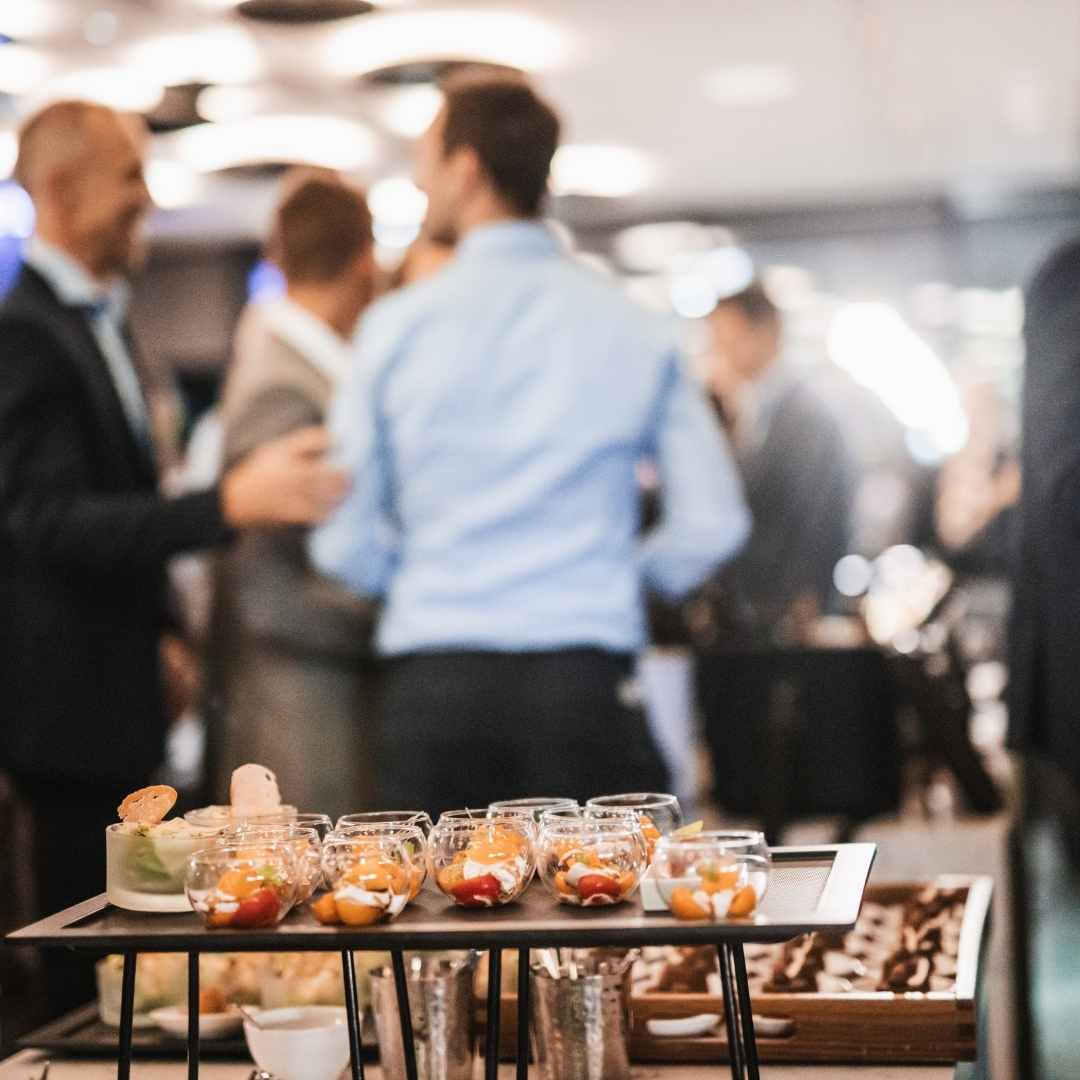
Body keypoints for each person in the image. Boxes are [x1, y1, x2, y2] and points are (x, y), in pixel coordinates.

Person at [311, 75, 750, 815]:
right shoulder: (632, 325)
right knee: (603, 893)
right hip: (583, 679)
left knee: (438, 894)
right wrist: (616, 579)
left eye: (425, 161)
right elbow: (714, 522)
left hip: (436, 685)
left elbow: (341, 538)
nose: (418, 184)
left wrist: (421, 579)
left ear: (466, 170)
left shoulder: (394, 328)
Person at [0, 101, 346, 1014]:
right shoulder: (24, 332)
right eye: (130, 175)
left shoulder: (97, 320)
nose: (147, 199)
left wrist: (163, 631)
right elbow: (47, 522)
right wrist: (227, 504)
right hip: (64, 714)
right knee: (86, 981)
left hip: (117, 694)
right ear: (61, 188)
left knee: (136, 965)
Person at [209, 171, 380, 820]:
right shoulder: (284, 382)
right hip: (301, 701)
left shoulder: (301, 365)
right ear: (366, 262)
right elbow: (266, 586)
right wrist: (390, 619)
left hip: (312, 685)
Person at [704, 282, 854, 639]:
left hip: (785, 616)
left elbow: (817, 519)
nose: (719, 352)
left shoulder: (804, 418)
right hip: (762, 612)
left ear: (765, 333)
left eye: (727, 338)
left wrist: (807, 599)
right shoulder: (760, 409)